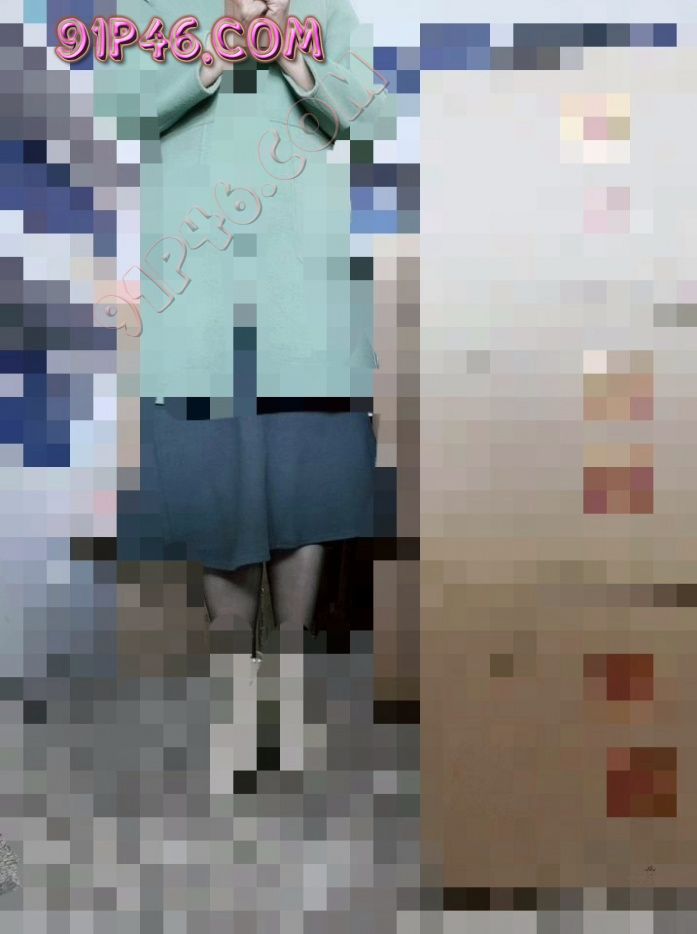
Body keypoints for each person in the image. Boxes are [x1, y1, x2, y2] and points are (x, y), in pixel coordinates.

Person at [101, 0, 388, 775]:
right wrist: (221, 43)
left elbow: (372, 116)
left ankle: (288, 708)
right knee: (215, 488)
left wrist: (294, 57)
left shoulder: (326, 7)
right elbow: (120, 107)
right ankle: (234, 717)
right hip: (199, 302)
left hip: (306, 299)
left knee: (305, 488)